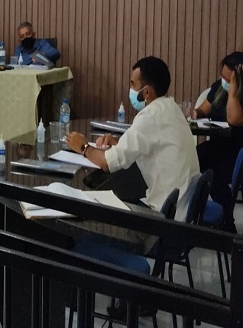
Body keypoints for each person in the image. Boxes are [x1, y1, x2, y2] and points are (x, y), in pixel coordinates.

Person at [66, 56, 199, 220]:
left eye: (133, 84)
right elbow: (151, 145)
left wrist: (83, 147)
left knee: (97, 204)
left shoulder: (150, 116)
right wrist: (119, 143)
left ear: (146, 92)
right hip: (183, 205)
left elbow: (107, 163)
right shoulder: (171, 108)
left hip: (167, 214)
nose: (130, 90)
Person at [192, 52, 243, 232]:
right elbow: (203, 110)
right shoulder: (218, 88)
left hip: (236, 151)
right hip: (216, 146)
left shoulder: (237, 95)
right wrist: (196, 113)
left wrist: (234, 90)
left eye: (229, 79)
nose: (224, 82)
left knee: (214, 173)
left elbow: (234, 119)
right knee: (192, 160)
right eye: (223, 76)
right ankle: (199, 213)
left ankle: (226, 219)